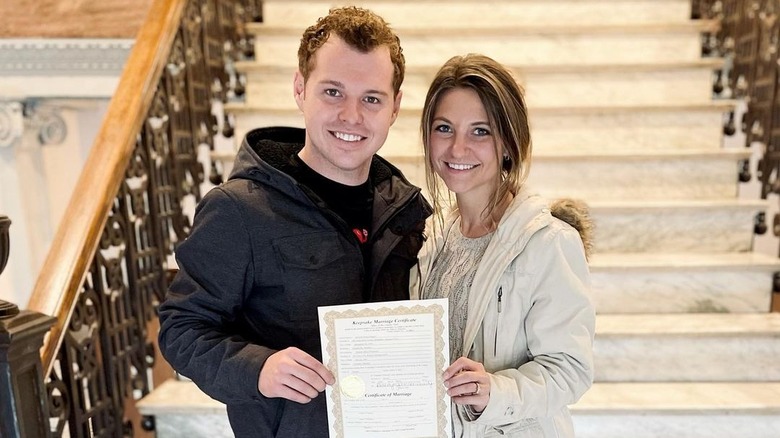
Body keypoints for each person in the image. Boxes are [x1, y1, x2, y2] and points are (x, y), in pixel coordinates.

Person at [158, 6, 432, 437]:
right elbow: (181, 329)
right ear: (300, 89)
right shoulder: (239, 210)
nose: (352, 116)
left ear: (395, 107)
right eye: (333, 92)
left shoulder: (408, 211)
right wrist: (259, 368)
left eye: (372, 99)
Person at [412, 54, 596, 437]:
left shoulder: (549, 243)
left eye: (480, 131)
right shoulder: (428, 239)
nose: (458, 149)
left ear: (509, 143)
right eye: (444, 128)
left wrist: (495, 391)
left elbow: (569, 369)